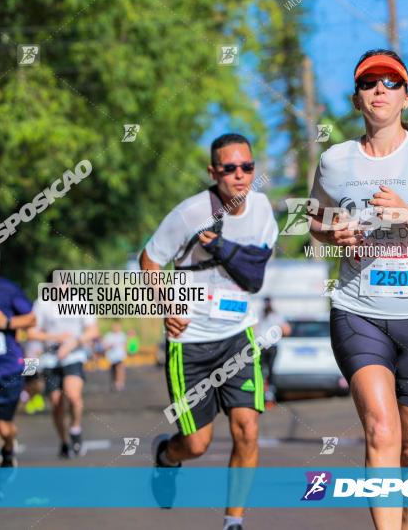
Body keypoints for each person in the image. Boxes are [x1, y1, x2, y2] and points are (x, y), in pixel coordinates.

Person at [307, 48, 408, 530]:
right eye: (368, 83)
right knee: (380, 429)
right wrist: (330, 233)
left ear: (406, 99)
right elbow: (316, 221)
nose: (379, 89)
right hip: (358, 311)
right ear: (356, 99)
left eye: (390, 82)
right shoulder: (334, 162)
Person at [141, 133, 278, 530]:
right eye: (230, 168)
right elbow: (149, 259)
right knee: (196, 445)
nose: (240, 175)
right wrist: (166, 306)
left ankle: (233, 521)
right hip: (191, 342)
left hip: (239, 336)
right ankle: (167, 457)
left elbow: (255, 273)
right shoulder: (189, 213)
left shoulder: (263, 209)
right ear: (213, 171)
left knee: (247, 430)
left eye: (247, 167)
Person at [27, 274, 99, 459]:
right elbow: (32, 333)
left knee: (73, 395)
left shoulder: (79, 301)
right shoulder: (42, 304)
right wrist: (54, 338)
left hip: (74, 356)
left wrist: (74, 341)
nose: (62, 288)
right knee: (57, 405)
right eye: (58, 284)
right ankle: (64, 441)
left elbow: (93, 330)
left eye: (65, 283)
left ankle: (75, 428)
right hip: (50, 360)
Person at [0, 248, 36, 476]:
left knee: (4, 427)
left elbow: (32, 318)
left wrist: (6, 322)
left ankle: (8, 447)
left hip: (9, 369)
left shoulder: (8, 289)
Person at [257, 298, 290, 403]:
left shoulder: (276, 316)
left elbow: (286, 329)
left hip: (272, 346)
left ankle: (270, 394)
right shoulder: (260, 315)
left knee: (271, 370)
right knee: (261, 371)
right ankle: (262, 393)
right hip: (261, 346)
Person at [102, 321, 128, 392]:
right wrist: (110, 346)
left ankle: (120, 383)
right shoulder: (108, 335)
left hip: (120, 356)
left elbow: (125, 345)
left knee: (120, 368)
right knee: (113, 370)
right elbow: (104, 346)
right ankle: (114, 382)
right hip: (112, 357)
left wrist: (126, 352)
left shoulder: (122, 335)